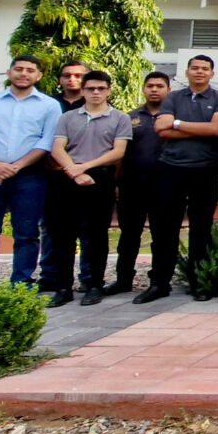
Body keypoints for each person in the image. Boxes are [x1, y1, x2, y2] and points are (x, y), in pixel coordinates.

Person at [135, 55, 218, 303]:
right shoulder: (172, 97)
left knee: (202, 229)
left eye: (205, 69)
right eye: (195, 68)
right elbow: (161, 129)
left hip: (205, 169)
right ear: (187, 72)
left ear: (212, 73)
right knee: (164, 229)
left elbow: (215, 130)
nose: (199, 72)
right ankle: (159, 283)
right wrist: (198, 128)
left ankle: (199, 282)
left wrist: (177, 123)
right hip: (171, 169)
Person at [48, 71, 132, 307]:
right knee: (63, 235)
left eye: (101, 88)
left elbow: (118, 152)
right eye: (91, 88)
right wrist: (73, 170)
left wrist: (84, 167)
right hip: (68, 178)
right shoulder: (68, 117)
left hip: (100, 179)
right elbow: (57, 148)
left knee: (96, 236)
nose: (96, 92)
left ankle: (94, 285)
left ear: (109, 90)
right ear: (83, 90)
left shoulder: (119, 118)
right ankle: (63, 287)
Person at [0, 55, 61, 285]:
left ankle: (21, 284)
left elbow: (46, 142)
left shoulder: (50, 105)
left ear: (39, 75)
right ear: (9, 72)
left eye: (30, 70)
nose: (24, 74)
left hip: (30, 176)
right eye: (19, 69)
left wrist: (16, 166)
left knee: (26, 234)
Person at [105, 71, 170, 296]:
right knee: (129, 235)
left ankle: (159, 282)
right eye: (150, 85)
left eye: (159, 86)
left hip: (164, 185)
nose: (154, 89)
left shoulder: (173, 117)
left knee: (162, 235)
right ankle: (123, 280)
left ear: (167, 90)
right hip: (132, 184)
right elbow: (120, 154)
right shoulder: (129, 118)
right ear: (143, 88)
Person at [38, 60, 91, 292]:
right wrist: (52, 163)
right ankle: (51, 277)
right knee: (51, 229)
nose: (72, 79)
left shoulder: (94, 105)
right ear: (59, 79)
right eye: (67, 75)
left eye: (78, 75)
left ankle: (89, 278)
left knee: (87, 230)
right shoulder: (49, 105)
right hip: (52, 174)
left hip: (85, 173)